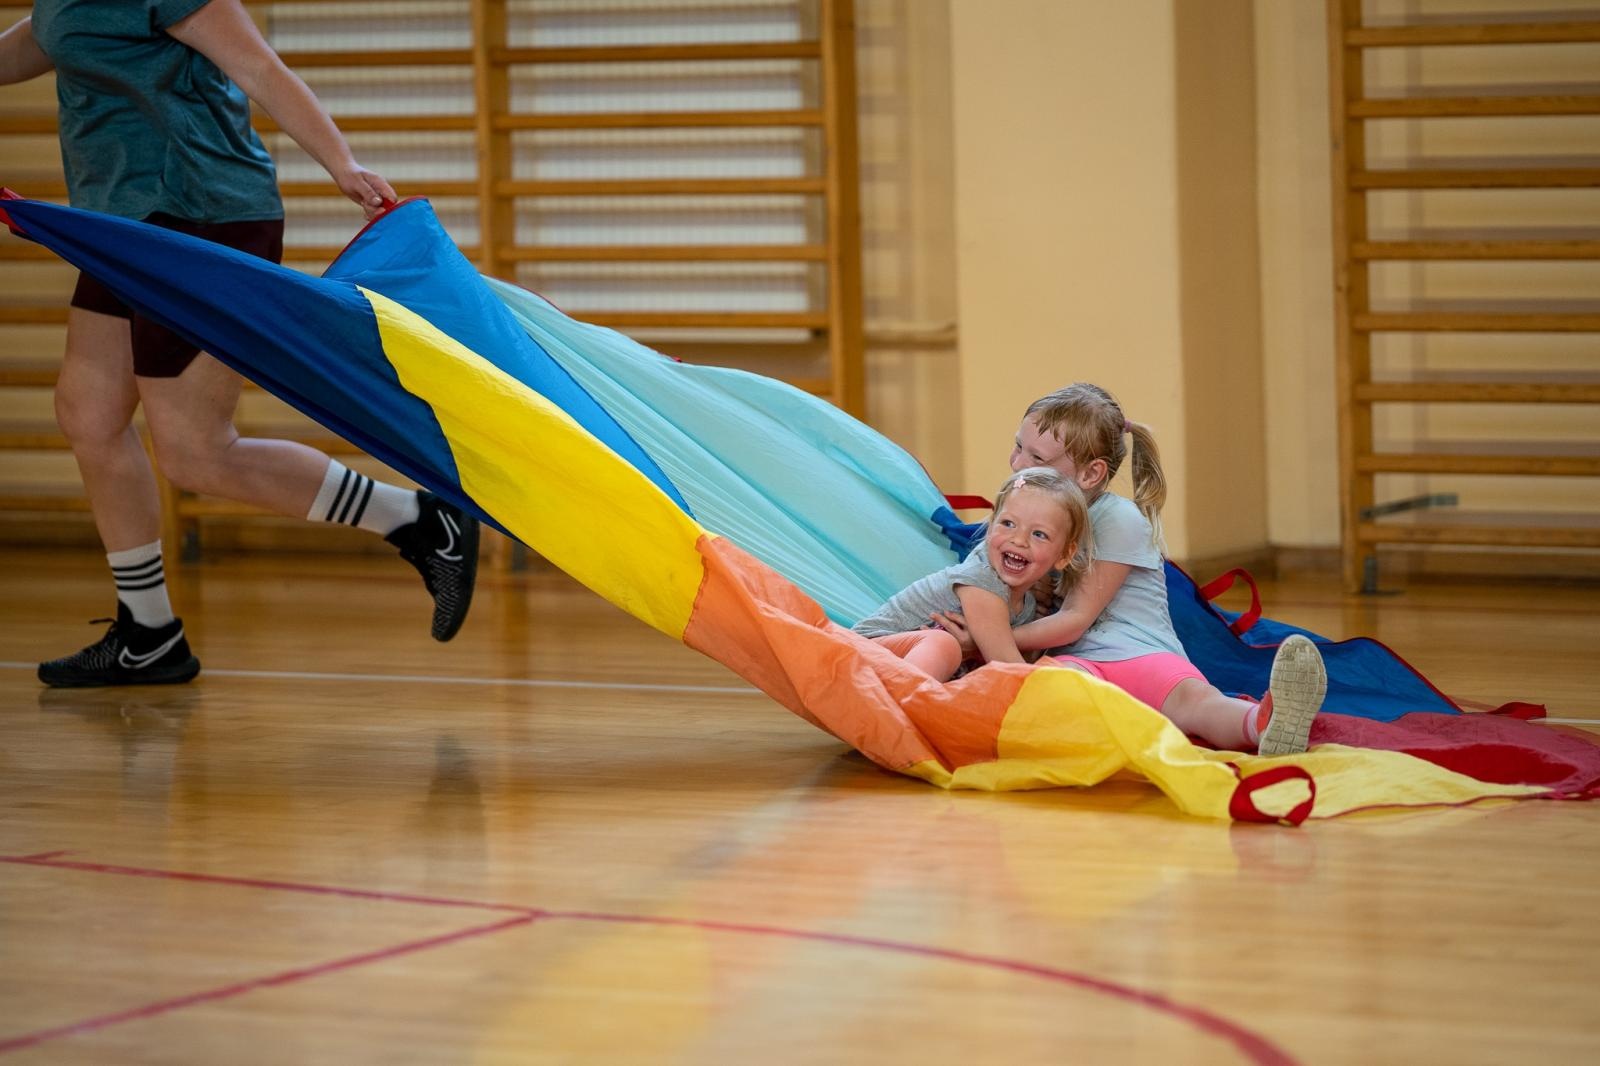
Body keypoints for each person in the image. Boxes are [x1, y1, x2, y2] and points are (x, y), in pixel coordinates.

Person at [1, 1, 480, 688]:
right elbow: (34, 46)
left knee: (197, 452)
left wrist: (341, 164)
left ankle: (418, 519)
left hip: (197, 217)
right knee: (88, 412)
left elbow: (259, 65)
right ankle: (149, 632)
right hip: (123, 225)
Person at [935, 383, 1325, 756]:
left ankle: (1263, 723)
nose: (1019, 465)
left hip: (1137, 650)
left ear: (1091, 474)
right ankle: (1106, 737)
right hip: (1077, 660)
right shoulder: (1031, 517)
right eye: (1018, 447)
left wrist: (991, 638)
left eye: (1037, 459)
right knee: (1053, 693)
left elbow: (1074, 619)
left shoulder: (1117, 517)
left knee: (1196, 702)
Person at [854, 467, 1090, 682]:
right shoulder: (981, 583)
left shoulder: (1027, 607)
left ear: (1064, 555)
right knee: (943, 644)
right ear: (991, 523)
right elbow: (1011, 669)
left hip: (903, 674)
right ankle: (903, 709)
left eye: (1039, 534)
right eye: (1008, 523)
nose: (1018, 540)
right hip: (863, 658)